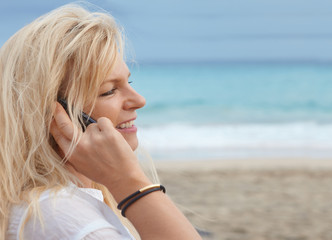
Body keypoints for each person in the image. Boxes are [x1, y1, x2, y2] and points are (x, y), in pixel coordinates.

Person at [0, 4, 202, 240]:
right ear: (54, 114)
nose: (139, 100)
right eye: (109, 91)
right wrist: (128, 181)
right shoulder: (63, 220)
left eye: (129, 83)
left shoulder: (68, 204)